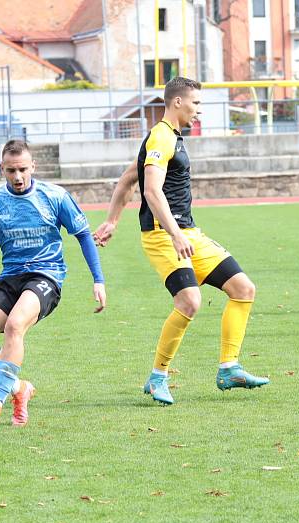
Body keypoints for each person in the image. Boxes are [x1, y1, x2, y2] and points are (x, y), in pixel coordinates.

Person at [94, 76, 269, 406]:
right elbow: (150, 190)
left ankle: (229, 368)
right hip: (163, 236)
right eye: (196, 103)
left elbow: (128, 177)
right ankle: (157, 376)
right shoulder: (161, 136)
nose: (199, 110)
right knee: (189, 301)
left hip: (187, 232)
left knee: (243, 289)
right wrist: (174, 234)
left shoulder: (168, 138)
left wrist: (112, 220)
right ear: (177, 102)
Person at [0, 139, 106, 430]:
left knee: (15, 325)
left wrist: (98, 279)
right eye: (10, 171)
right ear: (1, 169)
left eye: (22, 169)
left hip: (46, 276)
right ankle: (20, 389)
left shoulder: (54, 195)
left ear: (33, 166)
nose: (17, 177)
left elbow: (83, 234)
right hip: (10, 276)